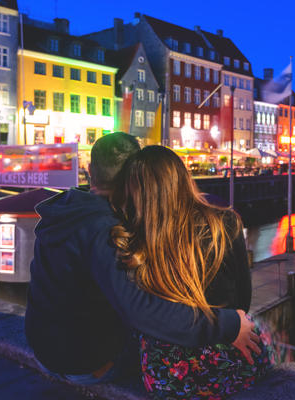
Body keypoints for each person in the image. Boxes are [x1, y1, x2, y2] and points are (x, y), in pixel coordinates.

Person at [25, 133, 260, 385]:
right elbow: (143, 310)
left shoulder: (68, 210)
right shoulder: (107, 229)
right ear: (135, 176)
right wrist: (228, 324)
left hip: (43, 349)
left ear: (90, 169)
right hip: (85, 364)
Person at [111, 146, 276, 399]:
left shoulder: (131, 240)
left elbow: (137, 309)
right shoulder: (225, 224)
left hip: (166, 373)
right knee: (267, 337)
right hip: (225, 355)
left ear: (136, 190)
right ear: (182, 178)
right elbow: (243, 300)